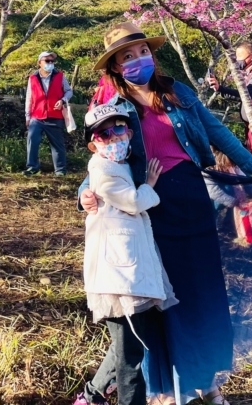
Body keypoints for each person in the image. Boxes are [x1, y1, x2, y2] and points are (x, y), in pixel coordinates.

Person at [78, 22, 252, 405]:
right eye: (128, 57)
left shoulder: (175, 91)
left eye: (143, 52)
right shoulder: (113, 105)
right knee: (164, 302)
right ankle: (166, 389)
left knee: (201, 295)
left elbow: (215, 130)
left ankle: (207, 382)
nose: (139, 60)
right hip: (153, 210)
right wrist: (85, 192)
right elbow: (100, 153)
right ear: (116, 67)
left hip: (193, 202)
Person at [75, 103, 177, 405]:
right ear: (94, 143)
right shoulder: (104, 167)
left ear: (129, 130)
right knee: (130, 357)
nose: (114, 137)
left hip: (130, 270)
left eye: (118, 128)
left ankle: (93, 396)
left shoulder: (120, 162)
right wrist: (149, 185)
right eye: (104, 134)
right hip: (119, 276)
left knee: (128, 346)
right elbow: (132, 201)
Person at [207, 41, 252, 177]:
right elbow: (244, 98)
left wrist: (222, 88)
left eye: (240, 57)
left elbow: (247, 94)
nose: (238, 62)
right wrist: (220, 89)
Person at [24, 50, 73, 176]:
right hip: (37, 116)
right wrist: (27, 116)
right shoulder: (33, 78)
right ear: (39, 63)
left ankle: (60, 170)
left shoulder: (60, 76)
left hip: (55, 115)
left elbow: (69, 91)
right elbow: (29, 97)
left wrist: (62, 100)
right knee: (32, 141)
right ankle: (32, 167)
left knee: (57, 145)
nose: (50, 63)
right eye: (47, 61)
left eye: (52, 61)